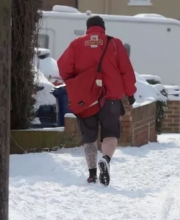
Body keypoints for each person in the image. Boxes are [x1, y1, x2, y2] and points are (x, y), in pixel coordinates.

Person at [58, 15, 137, 186]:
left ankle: (92, 174)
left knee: (89, 136)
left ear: (88, 28)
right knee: (110, 133)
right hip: (110, 98)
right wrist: (130, 93)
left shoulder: (76, 44)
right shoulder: (114, 43)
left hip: (86, 100)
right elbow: (126, 71)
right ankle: (106, 159)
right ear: (103, 28)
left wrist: (75, 83)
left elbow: (63, 67)